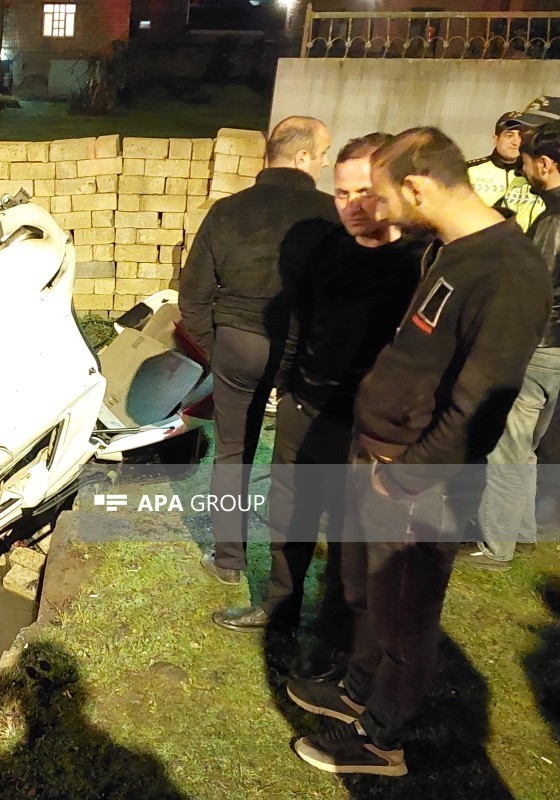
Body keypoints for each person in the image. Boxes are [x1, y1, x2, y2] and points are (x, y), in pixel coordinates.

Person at [286, 127, 551, 777]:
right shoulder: (450, 250)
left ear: (416, 187)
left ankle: (382, 738)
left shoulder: (508, 272)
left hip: (416, 480)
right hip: (376, 454)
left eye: (381, 196)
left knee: (404, 614)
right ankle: (357, 690)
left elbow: (479, 406)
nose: (374, 209)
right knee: (363, 592)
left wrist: (405, 479)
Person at [211, 135, 423, 673]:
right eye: (341, 193)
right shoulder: (327, 248)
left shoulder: (420, 262)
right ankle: (278, 609)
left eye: (364, 192)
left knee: (351, 538)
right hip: (306, 408)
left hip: (369, 425)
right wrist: (288, 384)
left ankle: (334, 640)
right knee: (290, 518)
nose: (352, 205)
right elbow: (300, 321)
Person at [179, 116, 337, 585]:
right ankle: (285, 578)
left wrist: (216, 349)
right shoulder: (330, 215)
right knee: (294, 462)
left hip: (237, 342)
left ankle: (229, 560)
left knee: (233, 451)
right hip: (304, 349)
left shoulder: (227, 211)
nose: (324, 163)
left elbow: (193, 294)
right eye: (323, 154)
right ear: (303, 157)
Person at [458, 121, 560, 570]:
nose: (523, 169)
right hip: (555, 353)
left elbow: (536, 289)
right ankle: (520, 532)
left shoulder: (552, 221)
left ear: (545, 164)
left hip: (540, 347)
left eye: (528, 162)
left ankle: (495, 545)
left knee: (507, 446)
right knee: (527, 446)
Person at [466, 108, 544, 231]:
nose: (516, 142)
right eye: (509, 135)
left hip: (523, 241)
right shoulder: (469, 170)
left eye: (522, 137)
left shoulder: (537, 174)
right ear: (495, 139)